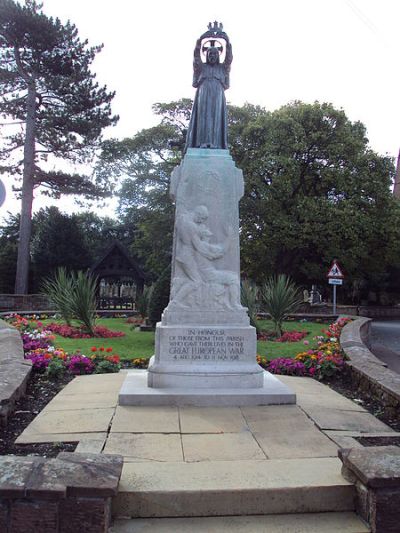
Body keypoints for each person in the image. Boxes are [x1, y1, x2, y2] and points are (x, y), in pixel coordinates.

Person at [185, 24, 232, 150]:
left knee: (216, 118)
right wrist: (201, 40)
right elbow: (196, 57)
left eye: (215, 54)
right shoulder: (202, 67)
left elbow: (229, 58)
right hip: (203, 93)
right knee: (203, 118)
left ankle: (216, 144)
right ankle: (202, 143)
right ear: (206, 55)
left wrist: (226, 41)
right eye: (210, 54)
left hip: (218, 94)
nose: (212, 56)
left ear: (218, 56)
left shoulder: (222, 68)